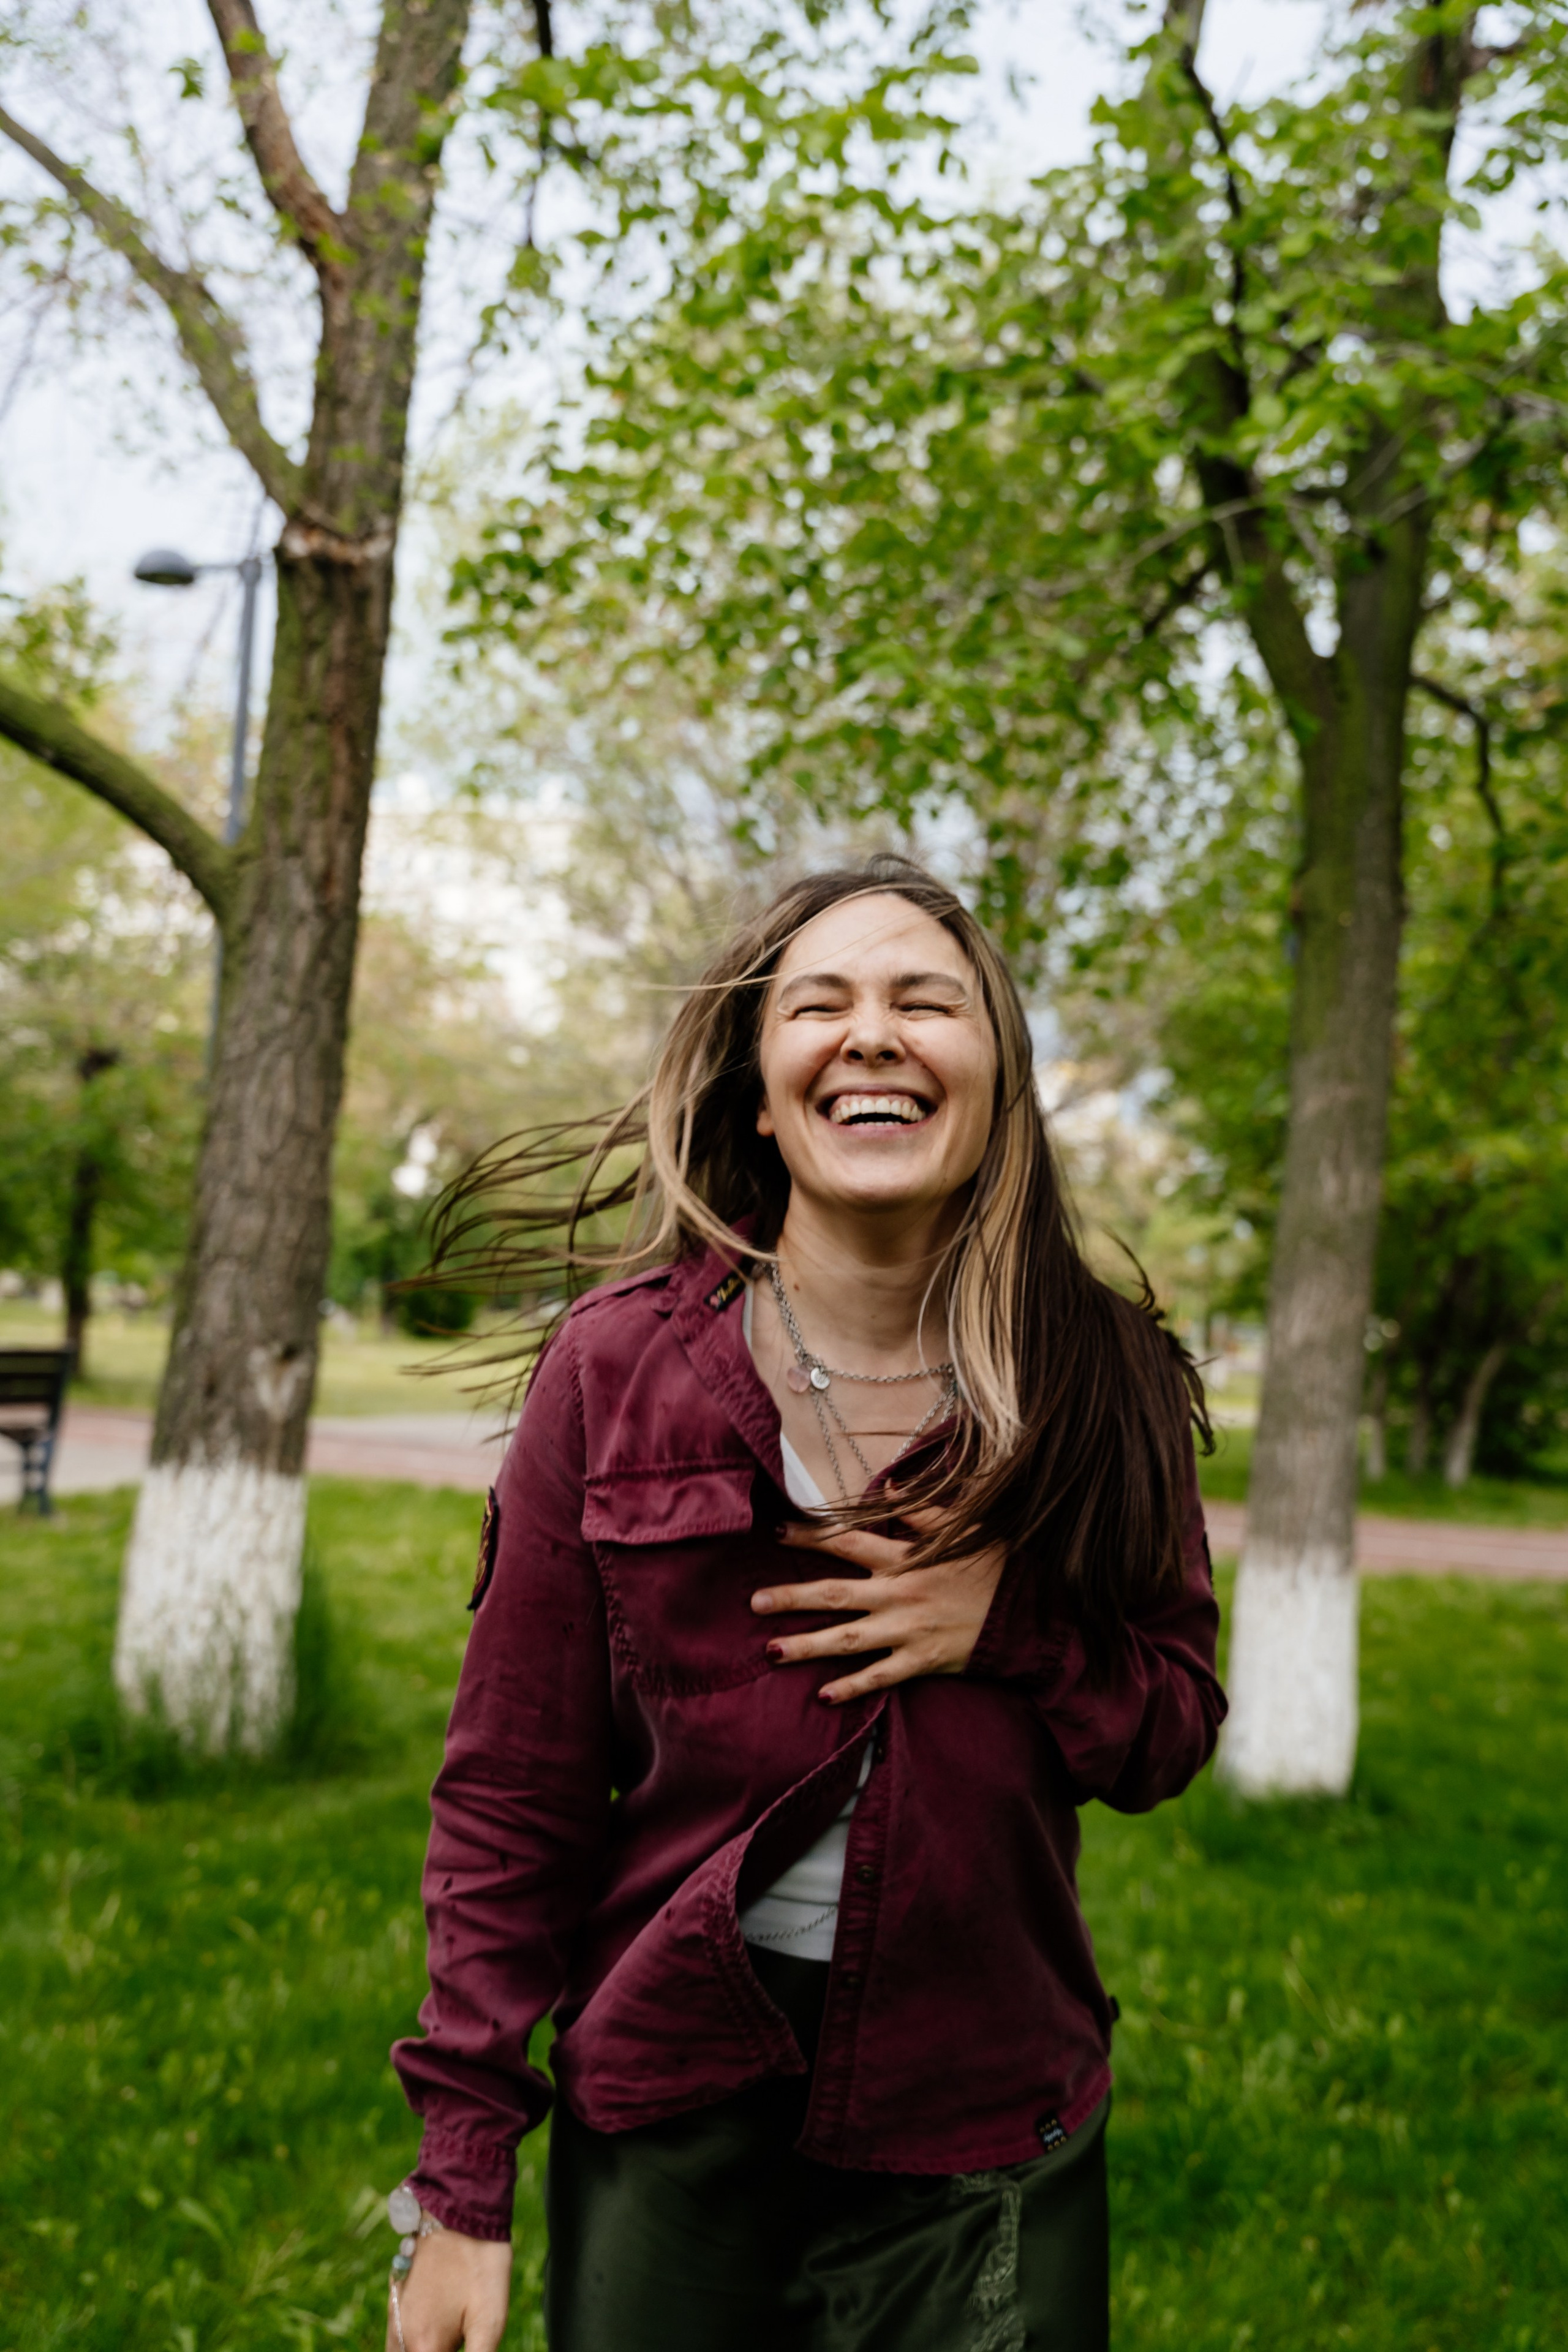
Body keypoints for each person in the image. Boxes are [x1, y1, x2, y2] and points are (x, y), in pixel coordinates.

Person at [385, 856, 1225, 2352]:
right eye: (820, 1004)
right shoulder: (614, 1368)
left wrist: (1011, 1629)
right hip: (671, 2095)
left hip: (982, 2113)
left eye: (926, 1002)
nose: (873, 1035)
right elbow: (511, 1788)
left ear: (997, 1087)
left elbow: (1164, 1730)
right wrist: (460, 2184)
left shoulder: (1105, 1380)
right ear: (761, 1096)